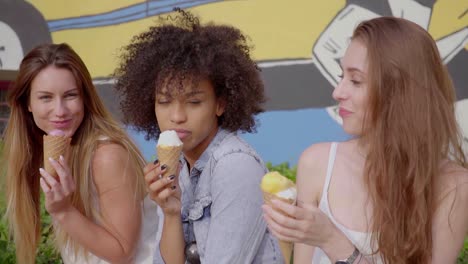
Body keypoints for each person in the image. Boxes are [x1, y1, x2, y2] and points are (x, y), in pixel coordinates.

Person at [262, 16, 468, 264]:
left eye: (356, 80)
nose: (337, 92)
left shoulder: (455, 187)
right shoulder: (317, 164)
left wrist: (332, 240)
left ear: (400, 91)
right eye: (341, 77)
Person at [114, 8, 283, 264]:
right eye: (164, 101)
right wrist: (170, 212)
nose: (177, 116)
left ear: (220, 104)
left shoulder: (234, 165)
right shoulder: (178, 166)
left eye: (194, 102)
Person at [2, 43, 157, 264]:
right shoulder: (57, 149)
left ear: (85, 97)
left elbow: (123, 252)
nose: (60, 111)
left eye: (70, 95)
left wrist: (64, 211)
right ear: (27, 103)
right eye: (45, 97)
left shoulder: (106, 155)